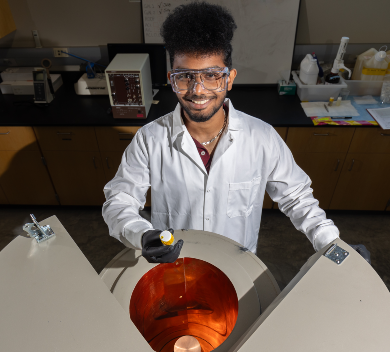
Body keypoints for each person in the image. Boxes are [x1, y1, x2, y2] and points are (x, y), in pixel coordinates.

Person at [102, 1, 369, 264]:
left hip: (238, 267)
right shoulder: (150, 140)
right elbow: (120, 200)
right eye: (185, 76)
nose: (198, 90)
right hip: (176, 264)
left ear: (229, 78)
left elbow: (297, 199)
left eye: (212, 75)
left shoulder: (261, 138)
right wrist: (142, 234)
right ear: (172, 79)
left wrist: (333, 244)